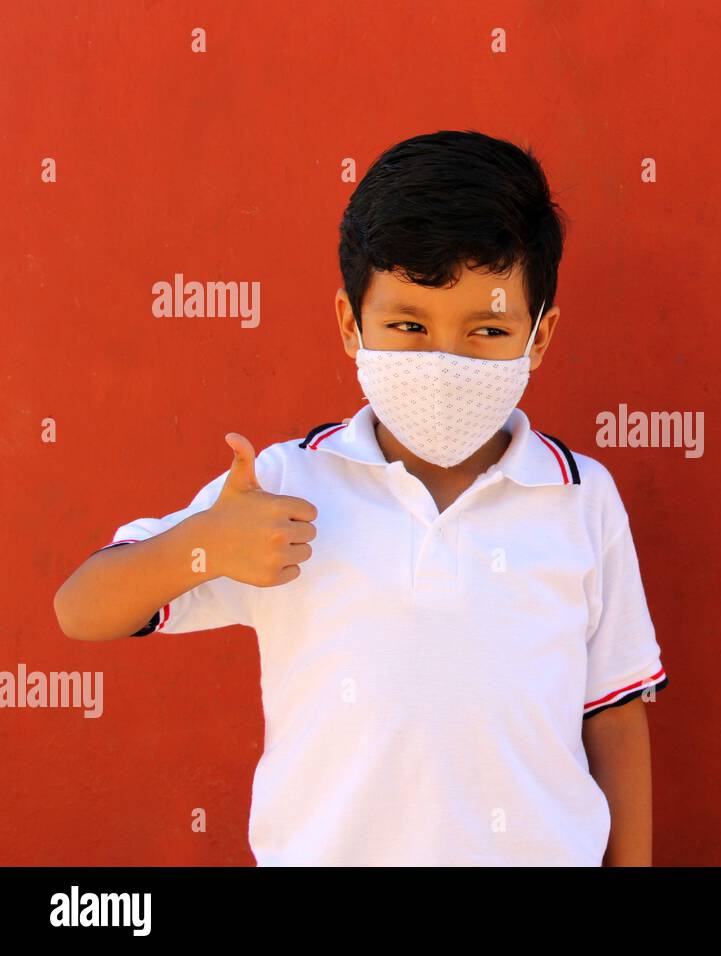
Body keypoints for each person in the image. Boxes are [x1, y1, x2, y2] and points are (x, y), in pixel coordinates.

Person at [53, 129, 669, 866]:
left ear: (539, 339)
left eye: (488, 329)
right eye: (408, 324)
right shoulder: (283, 487)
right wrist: (208, 544)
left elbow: (615, 717)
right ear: (351, 323)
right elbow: (81, 609)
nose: (443, 358)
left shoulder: (580, 501)